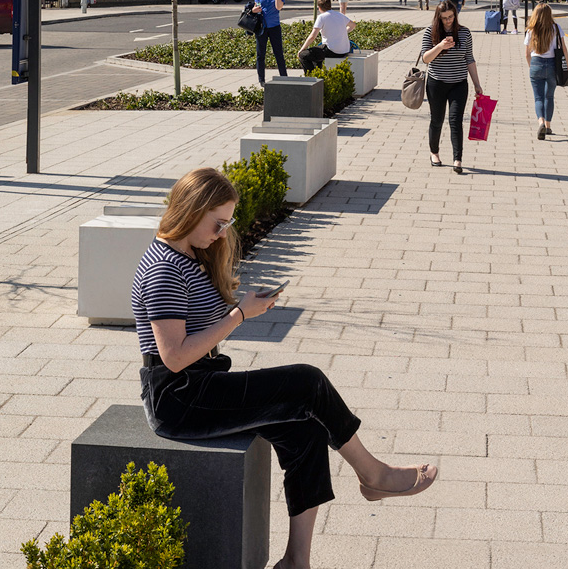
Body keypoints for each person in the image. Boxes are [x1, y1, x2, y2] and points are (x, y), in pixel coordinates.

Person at [134, 167, 439, 569]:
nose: (223, 233)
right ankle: (373, 474)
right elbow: (173, 357)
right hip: (180, 399)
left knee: (306, 431)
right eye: (217, 223)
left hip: (202, 384)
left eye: (228, 223)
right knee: (306, 382)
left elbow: (194, 331)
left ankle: (296, 561)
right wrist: (240, 315)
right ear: (191, 211)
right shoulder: (163, 268)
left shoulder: (189, 255)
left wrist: (239, 306)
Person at [421, 1, 483, 174]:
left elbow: (469, 58)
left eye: (451, 17)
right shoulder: (430, 32)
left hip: (459, 84)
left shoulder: (464, 33)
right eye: (444, 18)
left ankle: (458, 159)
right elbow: (425, 58)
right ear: (438, 18)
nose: (448, 21)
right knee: (437, 120)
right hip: (436, 83)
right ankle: (434, 153)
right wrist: (440, 46)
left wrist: (477, 84)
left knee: (455, 121)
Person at [524, 3, 568, 141]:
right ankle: (548, 126)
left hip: (536, 63)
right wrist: (566, 66)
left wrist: (532, 67)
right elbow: (564, 49)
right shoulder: (556, 28)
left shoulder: (531, 30)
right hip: (552, 65)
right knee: (549, 96)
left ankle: (541, 122)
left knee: (538, 98)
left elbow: (527, 54)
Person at [297, 0, 355, 74]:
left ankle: (312, 77)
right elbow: (353, 25)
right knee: (317, 54)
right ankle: (318, 74)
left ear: (319, 8)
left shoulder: (322, 17)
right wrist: (342, 32)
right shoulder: (340, 15)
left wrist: (301, 49)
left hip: (332, 51)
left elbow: (312, 37)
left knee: (303, 55)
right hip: (344, 50)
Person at [252, 0, 287, 87]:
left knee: (278, 53)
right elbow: (256, 5)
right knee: (260, 54)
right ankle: (261, 79)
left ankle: (284, 77)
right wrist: (254, 9)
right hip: (262, 27)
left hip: (274, 26)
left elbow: (279, 7)